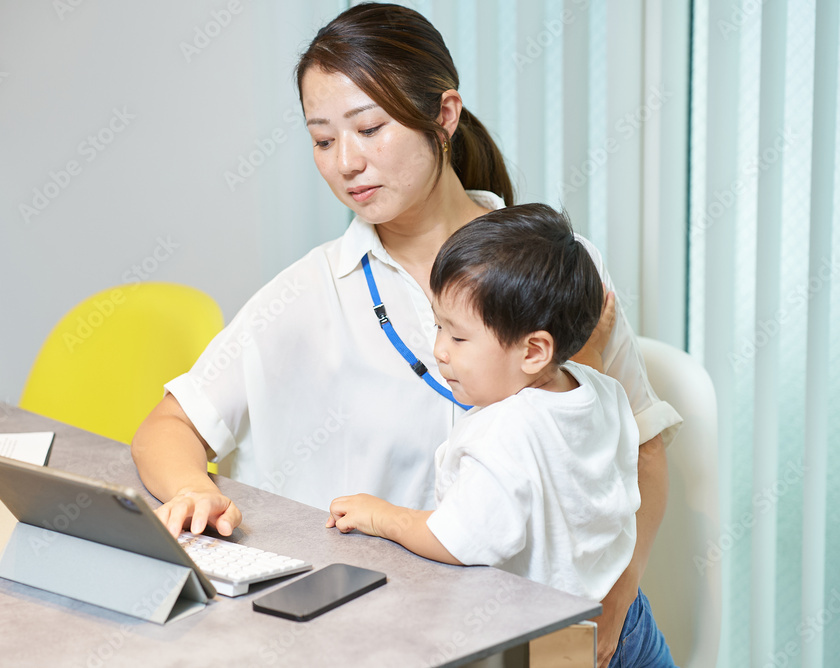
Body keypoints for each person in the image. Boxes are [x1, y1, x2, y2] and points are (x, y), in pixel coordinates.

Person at [131, 4, 681, 664]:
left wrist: (615, 604)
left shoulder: (556, 266)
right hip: (409, 640)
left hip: (575, 631)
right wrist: (195, 490)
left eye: (370, 128)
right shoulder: (311, 291)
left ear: (443, 115)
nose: (347, 162)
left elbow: (644, 451)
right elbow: (169, 425)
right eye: (324, 141)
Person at [326, 205, 675, 667]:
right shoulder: (597, 388)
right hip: (629, 622)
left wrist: (383, 516)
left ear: (534, 351)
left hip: (553, 645)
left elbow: (458, 541)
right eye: (438, 326)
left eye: (458, 337)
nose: (439, 350)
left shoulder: (503, 433)